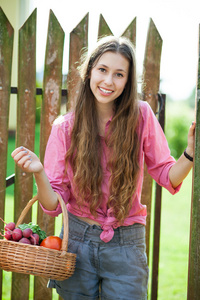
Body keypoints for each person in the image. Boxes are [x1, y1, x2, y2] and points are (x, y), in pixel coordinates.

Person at [12, 35, 195, 300]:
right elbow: (53, 205)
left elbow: (167, 175)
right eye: (102, 70)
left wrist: (190, 152)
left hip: (126, 245)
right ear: (89, 72)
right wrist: (40, 172)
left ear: (128, 81)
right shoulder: (65, 127)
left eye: (119, 74)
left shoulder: (141, 115)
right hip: (76, 241)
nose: (109, 81)